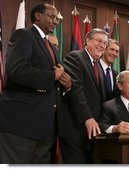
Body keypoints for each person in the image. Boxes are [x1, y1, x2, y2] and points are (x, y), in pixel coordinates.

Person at [0, 3, 71, 163]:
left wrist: (65, 83)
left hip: (45, 127)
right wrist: (52, 76)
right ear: (38, 16)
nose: (56, 21)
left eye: (57, 19)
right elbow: (16, 71)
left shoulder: (50, 46)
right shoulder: (23, 35)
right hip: (21, 125)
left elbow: (55, 77)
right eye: (51, 16)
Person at [59, 28, 108, 164]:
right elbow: (76, 90)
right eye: (99, 41)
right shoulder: (75, 57)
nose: (102, 45)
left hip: (93, 131)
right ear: (88, 41)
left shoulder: (98, 65)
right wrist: (87, 118)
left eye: (105, 43)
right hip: (75, 128)